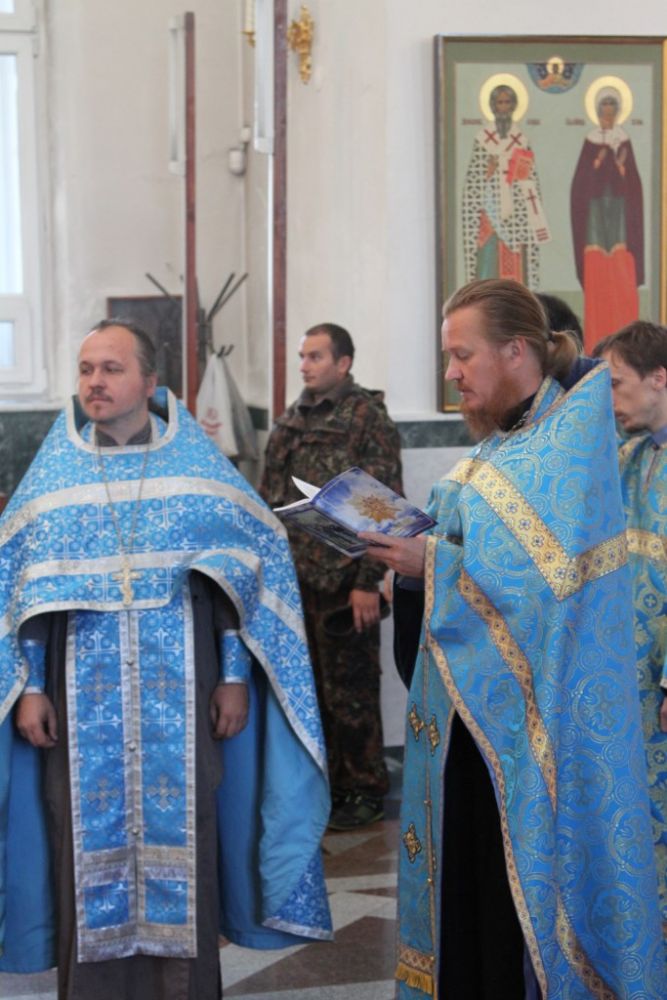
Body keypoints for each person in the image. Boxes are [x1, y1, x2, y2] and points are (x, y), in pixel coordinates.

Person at [0, 320, 332, 1000]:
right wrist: (27, 685)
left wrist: (234, 676)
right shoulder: (54, 474)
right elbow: (23, 592)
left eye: (111, 368)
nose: (95, 381)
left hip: (185, 696)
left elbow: (240, 578)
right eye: (86, 368)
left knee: (191, 833)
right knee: (75, 838)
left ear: (150, 382)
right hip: (76, 703)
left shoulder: (196, 471)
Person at [361, 279, 666, 998]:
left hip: (538, 734)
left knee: (514, 916)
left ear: (516, 351)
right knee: (470, 900)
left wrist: (432, 565)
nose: (451, 373)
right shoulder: (500, 448)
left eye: (462, 355)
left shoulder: (567, 448)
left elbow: (539, 591)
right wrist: (414, 565)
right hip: (470, 726)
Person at [260, 323, 402, 831]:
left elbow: (383, 501)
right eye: (302, 356)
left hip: (345, 582)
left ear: (343, 363)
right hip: (298, 579)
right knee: (311, 690)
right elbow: (270, 496)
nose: (305, 366)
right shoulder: (291, 420)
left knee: (351, 692)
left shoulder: (366, 417)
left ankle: (363, 788)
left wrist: (368, 580)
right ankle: (325, 788)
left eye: (315, 356)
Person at [594, 321, 667, 936]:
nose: (609, 400)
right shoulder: (629, 456)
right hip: (629, 678)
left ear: (659, 378)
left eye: (616, 384)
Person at [570, 84, 644, 353]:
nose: (608, 116)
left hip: (620, 213)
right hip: (595, 214)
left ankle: (626, 336)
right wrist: (598, 162)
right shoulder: (590, 141)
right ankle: (597, 335)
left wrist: (621, 166)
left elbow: (633, 185)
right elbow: (580, 185)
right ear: (599, 112)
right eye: (604, 110)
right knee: (597, 264)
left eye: (613, 111)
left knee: (620, 264)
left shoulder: (623, 140)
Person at [462, 82, 550, 291]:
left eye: (507, 103)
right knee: (488, 262)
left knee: (515, 267)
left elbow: (530, 180)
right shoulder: (483, 140)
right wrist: (488, 172)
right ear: (493, 107)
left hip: (516, 216)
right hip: (489, 215)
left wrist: (521, 178)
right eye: (499, 103)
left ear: (513, 106)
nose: (503, 108)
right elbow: (473, 182)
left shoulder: (521, 140)